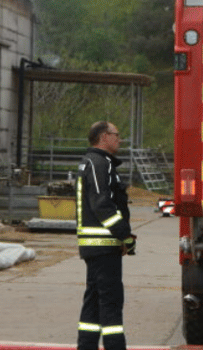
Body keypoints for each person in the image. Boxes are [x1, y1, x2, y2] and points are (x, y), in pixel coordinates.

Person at [76, 121, 136, 350]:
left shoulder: (95, 163)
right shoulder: (99, 164)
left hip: (97, 245)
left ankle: (86, 346)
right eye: (116, 135)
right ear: (103, 137)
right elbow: (102, 205)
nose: (119, 139)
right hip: (103, 245)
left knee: (92, 301)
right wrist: (125, 236)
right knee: (111, 301)